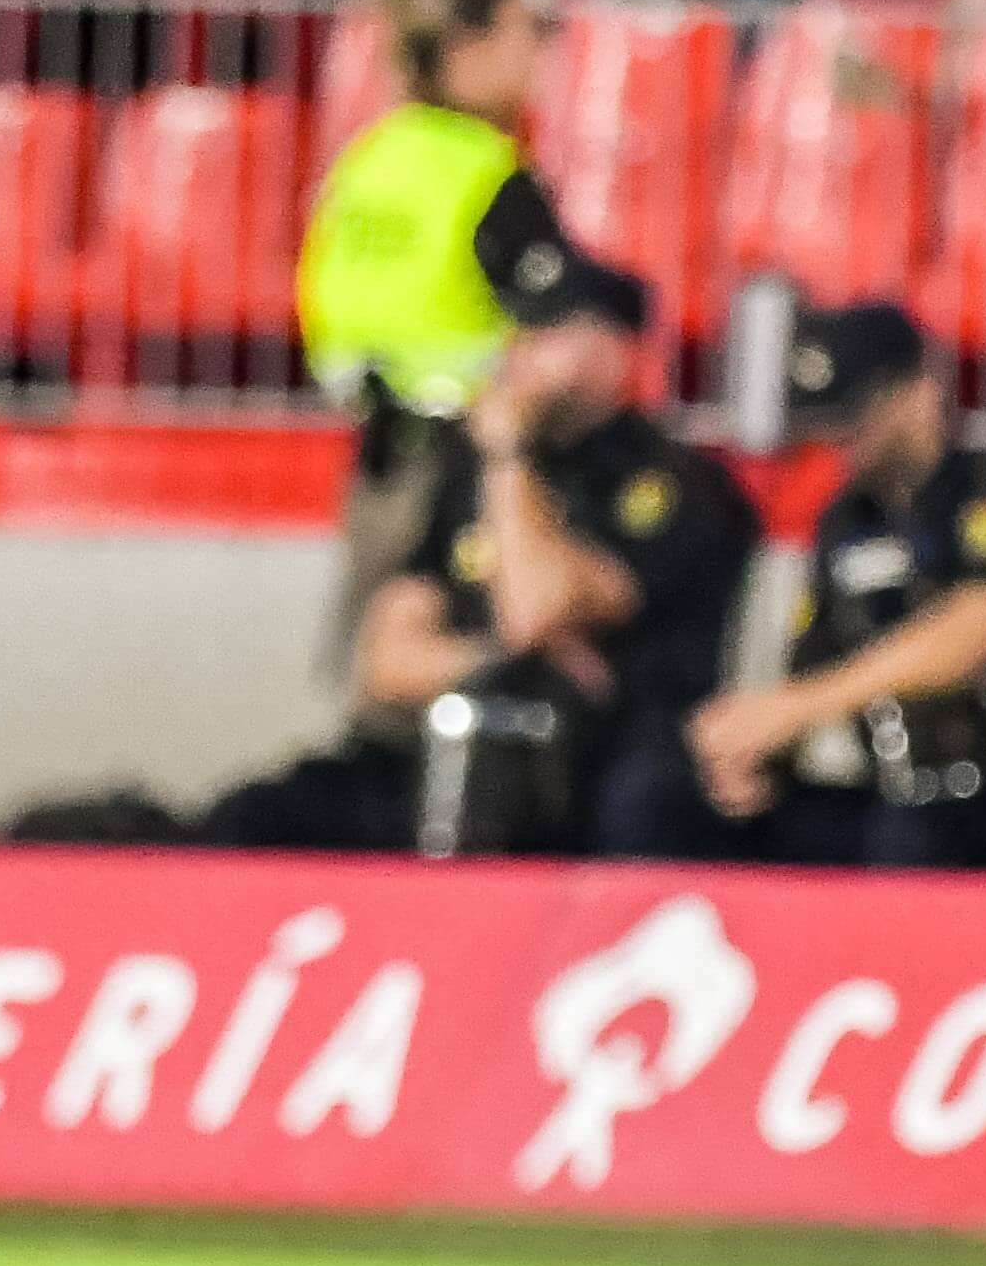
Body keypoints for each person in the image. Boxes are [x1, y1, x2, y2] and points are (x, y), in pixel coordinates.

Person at [198, 245, 755, 856]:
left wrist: (508, 457)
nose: (514, 351)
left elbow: (535, 609)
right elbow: (383, 664)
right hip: (448, 745)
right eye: (514, 327)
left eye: (545, 331)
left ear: (615, 349)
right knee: (255, 817)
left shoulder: (676, 484)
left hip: (594, 770)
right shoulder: (463, 472)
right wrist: (494, 661)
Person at [613, 300, 986, 867]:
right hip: (894, 801)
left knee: (916, 837)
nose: (839, 437)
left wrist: (798, 708)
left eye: (857, 414)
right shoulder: (848, 523)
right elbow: (813, 660)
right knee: (663, 804)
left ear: (922, 394)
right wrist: (757, 757)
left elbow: (970, 637)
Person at [295, 0, 572, 662]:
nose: (542, 53)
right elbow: (556, 316)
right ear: (467, 49)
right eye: (525, 33)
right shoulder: (487, 172)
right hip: (465, 452)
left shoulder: (371, 154)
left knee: (371, 651)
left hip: (377, 438)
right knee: (459, 652)